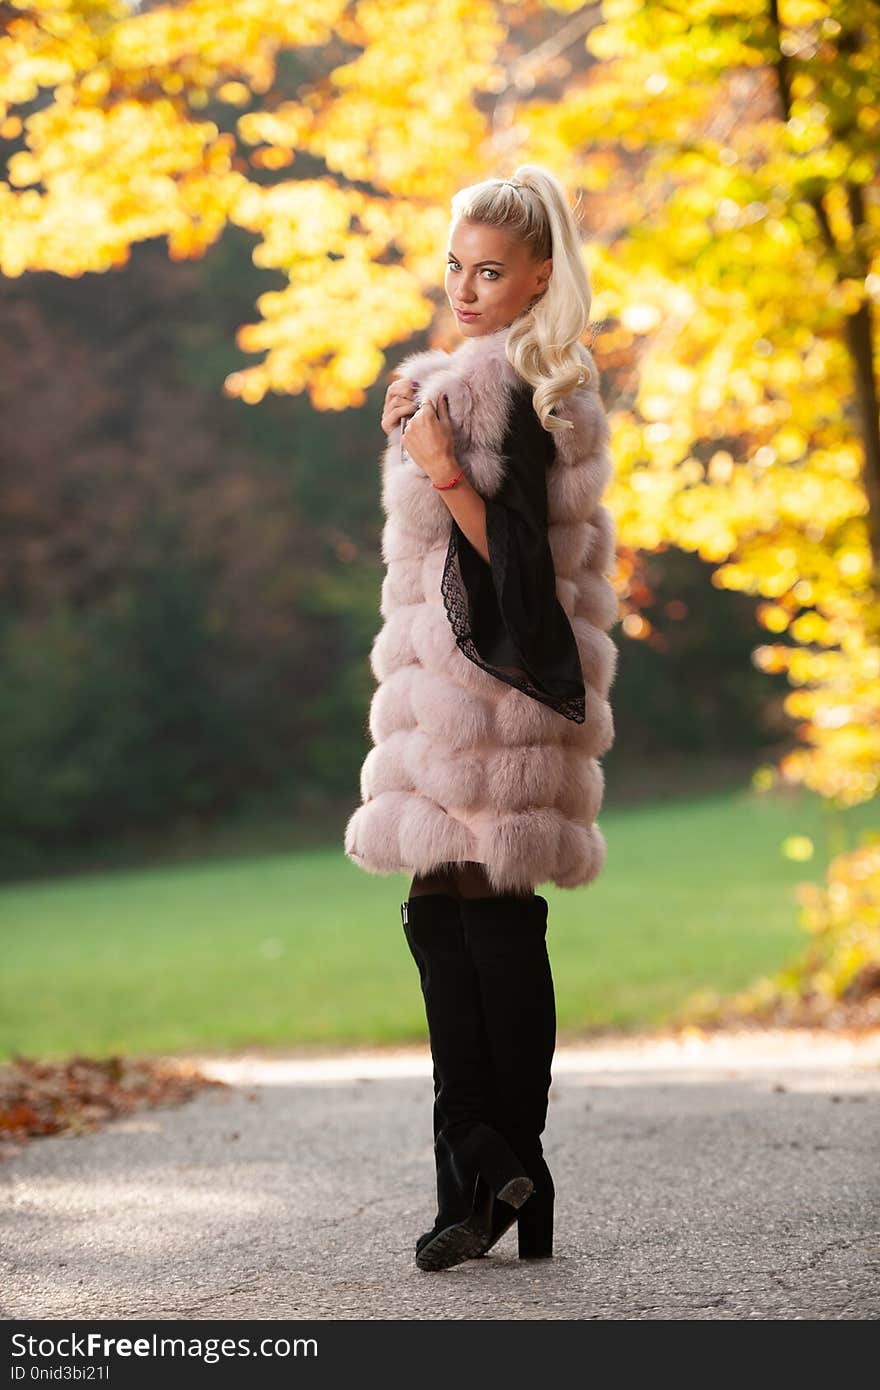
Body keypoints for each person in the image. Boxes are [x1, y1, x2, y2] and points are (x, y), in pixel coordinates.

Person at [344, 165, 618, 1271]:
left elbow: (511, 571)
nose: (463, 287)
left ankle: (485, 1159)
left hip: (477, 702)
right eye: (454, 265)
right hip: (487, 702)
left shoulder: (495, 391)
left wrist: (439, 463)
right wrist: (427, 431)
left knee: (457, 925)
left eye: (489, 271)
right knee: (484, 926)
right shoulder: (546, 385)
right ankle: (506, 1188)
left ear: (539, 276)